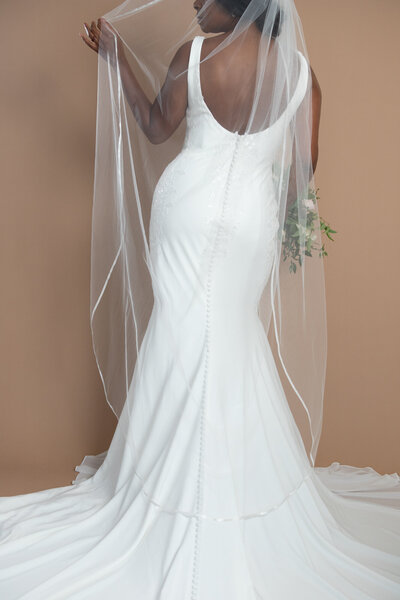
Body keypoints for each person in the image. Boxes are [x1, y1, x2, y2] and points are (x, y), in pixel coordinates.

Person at [0, 1, 399, 598]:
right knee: (231, 336)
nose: (193, 4)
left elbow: (157, 126)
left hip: (184, 211)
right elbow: (301, 173)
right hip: (248, 223)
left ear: (235, 6)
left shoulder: (193, 56)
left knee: (181, 331)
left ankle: (163, 483)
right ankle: (234, 482)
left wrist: (116, 58)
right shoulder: (302, 76)